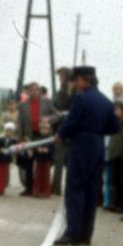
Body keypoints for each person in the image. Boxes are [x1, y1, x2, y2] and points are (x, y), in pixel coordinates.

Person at [54, 66, 120, 246]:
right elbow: (114, 127)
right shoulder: (106, 101)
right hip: (98, 146)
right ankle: (85, 235)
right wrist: (97, 130)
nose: (75, 84)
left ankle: (72, 234)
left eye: (77, 80)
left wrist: (61, 134)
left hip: (81, 145)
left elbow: (71, 122)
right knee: (91, 191)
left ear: (85, 80)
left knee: (75, 189)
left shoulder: (81, 98)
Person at [21, 82, 53, 195]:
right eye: (31, 90)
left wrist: (48, 120)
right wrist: (20, 137)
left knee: (43, 163)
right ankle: (29, 188)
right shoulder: (23, 105)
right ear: (28, 92)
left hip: (43, 134)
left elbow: (57, 115)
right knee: (28, 162)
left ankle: (44, 188)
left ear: (39, 91)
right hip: (29, 136)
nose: (34, 92)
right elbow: (20, 122)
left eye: (36, 90)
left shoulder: (47, 102)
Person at [51, 67, 75, 196]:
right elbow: (56, 104)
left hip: (70, 127)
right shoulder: (61, 89)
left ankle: (69, 188)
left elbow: (66, 105)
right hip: (60, 125)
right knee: (59, 160)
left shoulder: (73, 89)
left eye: (61, 75)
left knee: (70, 161)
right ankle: (56, 187)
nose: (59, 78)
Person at [103, 102, 123, 212]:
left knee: (121, 182)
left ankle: (121, 205)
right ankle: (114, 203)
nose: (115, 112)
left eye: (117, 110)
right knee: (113, 181)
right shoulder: (113, 124)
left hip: (122, 157)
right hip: (113, 155)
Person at [31, 117, 55, 198]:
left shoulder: (50, 139)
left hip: (46, 160)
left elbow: (52, 149)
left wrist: (47, 150)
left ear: (48, 130)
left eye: (46, 129)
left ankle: (46, 191)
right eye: (42, 129)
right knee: (38, 175)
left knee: (46, 176)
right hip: (39, 159)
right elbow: (34, 147)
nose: (44, 131)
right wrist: (37, 149)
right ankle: (36, 191)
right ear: (40, 129)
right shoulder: (37, 138)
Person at [0, 122, 17, 195]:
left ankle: (2, 188)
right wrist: (0, 149)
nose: (9, 133)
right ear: (4, 131)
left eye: (10, 132)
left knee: (4, 174)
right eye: (7, 131)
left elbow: (15, 148)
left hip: (6, 160)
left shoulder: (13, 140)